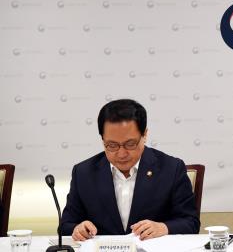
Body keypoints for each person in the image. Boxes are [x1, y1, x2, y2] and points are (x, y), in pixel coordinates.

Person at [60, 99, 199, 240]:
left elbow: (191, 222)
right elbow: (65, 226)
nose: (121, 154)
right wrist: (77, 229)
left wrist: (163, 228)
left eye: (130, 144)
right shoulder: (83, 173)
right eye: (112, 145)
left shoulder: (171, 169)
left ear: (144, 135)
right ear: (102, 139)